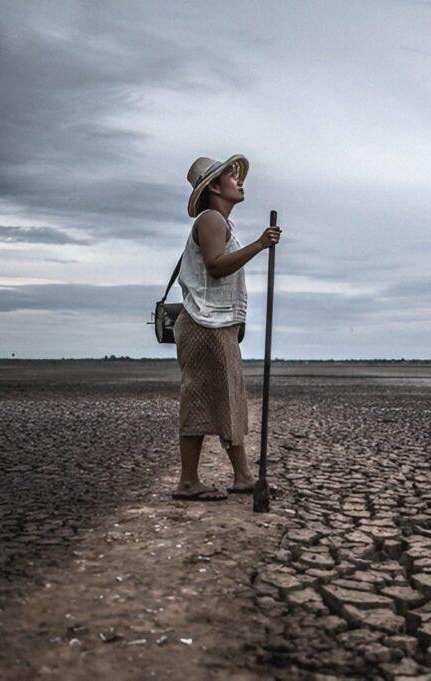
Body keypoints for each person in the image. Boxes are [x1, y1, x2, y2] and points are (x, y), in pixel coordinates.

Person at [171, 154, 281, 501]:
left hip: (216, 323)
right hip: (204, 323)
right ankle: (189, 482)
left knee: (226, 397)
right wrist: (260, 245)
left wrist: (237, 322)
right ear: (215, 186)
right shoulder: (212, 220)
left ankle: (243, 475)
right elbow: (216, 267)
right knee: (202, 398)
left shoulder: (219, 222)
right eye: (232, 178)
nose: (239, 181)